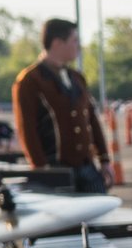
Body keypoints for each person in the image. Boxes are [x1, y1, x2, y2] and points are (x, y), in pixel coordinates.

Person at [11, 18, 112, 192]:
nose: (78, 46)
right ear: (58, 43)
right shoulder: (30, 80)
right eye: (74, 41)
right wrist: (41, 169)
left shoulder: (77, 77)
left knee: (100, 214)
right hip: (55, 170)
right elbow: (26, 129)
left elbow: (92, 120)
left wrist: (104, 159)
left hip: (87, 168)